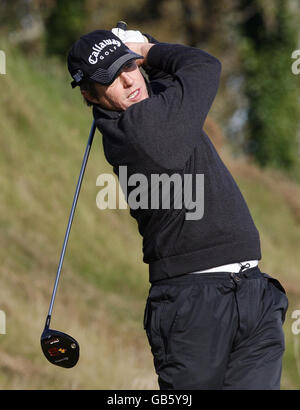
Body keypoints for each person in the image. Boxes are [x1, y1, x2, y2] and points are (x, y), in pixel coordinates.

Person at [67, 27, 289, 390]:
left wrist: (144, 47)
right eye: (110, 77)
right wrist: (145, 48)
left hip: (252, 291)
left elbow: (168, 78)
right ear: (90, 95)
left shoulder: (155, 108)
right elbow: (201, 67)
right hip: (194, 306)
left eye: (129, 66)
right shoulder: (136, 130)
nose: (127, 80)